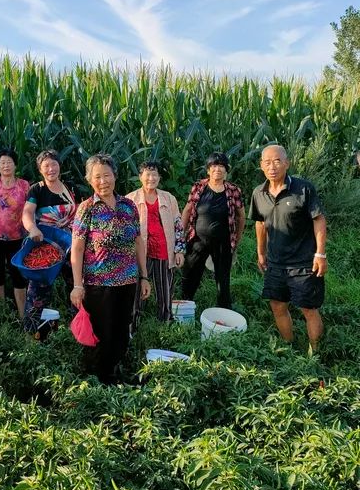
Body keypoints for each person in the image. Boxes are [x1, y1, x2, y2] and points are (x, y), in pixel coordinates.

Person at [70, 154, 150, 385]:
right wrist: (77, 285)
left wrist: (144, 276)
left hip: (127, 281)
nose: (103, 181)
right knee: (102, 333)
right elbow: (77, 248)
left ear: (115, 176)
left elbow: (138, 241)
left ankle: (114, 374)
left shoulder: (128, 206)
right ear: (89, 180)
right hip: (98, 284)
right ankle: (99, 380)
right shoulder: (87, 208)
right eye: (97, 177)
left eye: (107, 175)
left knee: (122, 331)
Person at [249, 144, 327, 351]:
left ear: (287, 163)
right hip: (276, 262)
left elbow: (318, 219)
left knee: (308, 309)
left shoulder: (303, 189)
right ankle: (289, 348)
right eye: (267, 162)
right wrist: (261, 252)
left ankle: (315, 354)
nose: (272, 167)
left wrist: (320, 254)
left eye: (277, 161)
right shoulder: (258, 193)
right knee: (277, 305)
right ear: (261, 165)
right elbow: (260, 223)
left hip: (304, 262)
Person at [21, 149, 77, 334]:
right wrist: (32, 228)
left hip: (70, 246)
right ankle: (31, 334)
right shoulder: (37, 189)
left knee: (76, 286)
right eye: (46, 166)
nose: (51, 169)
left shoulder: (70, 187)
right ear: (40, 170)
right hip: (46, 247)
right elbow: (27, 212)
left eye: (54, 164)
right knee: (38, 292)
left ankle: (77, 331)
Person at [180, 152, 245, 309]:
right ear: (208, 170)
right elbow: (187, 210)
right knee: (190, 273)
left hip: (223, 242)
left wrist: (237, 238)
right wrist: (180, 235)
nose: (218, 169)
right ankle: (185, 306)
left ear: (226, 170)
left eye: (221, 166)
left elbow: (241, 216)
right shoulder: (198, 187)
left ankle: (224, 310)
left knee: (223, 278)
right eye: (214, 166)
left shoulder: (233, 190)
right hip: (197, 240)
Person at [126, 161, 185, 331]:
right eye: (147, 175)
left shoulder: (168, 198)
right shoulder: (130, 199)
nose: (151, 178)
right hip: (140, 252)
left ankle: (165, 325)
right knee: (136, 290)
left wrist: (179, 250)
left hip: (163, 250)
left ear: (159, 178)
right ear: (140, 177)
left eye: (154, 175)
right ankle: (133, 325)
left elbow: (178, 224)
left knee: (165, 290)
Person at [0, 149, 30, 317]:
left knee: (19, 276)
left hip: (17, 238)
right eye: (2, 163)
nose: (6, 165)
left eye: (9, 162)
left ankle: (23, 316)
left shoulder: (24, 186)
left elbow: (30, 210)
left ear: (15, 165)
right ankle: (1, 316)